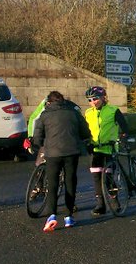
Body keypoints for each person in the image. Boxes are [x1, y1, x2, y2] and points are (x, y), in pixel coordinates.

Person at [32, 91, 92, 232]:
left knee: (52, 184)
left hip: (52, 154)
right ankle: (68, 216)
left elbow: (38, 134)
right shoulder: (73, 113)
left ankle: (51, 216)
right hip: (71, 152)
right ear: (63, 101)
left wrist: (38, 144)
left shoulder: (45, 114)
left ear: (49, 102)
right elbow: (85, 131)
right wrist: (83, 139)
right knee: (70, 182)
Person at [84, 86, 129, 216]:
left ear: (103, 98)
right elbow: (85, 130)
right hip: (95, 148)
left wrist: (123, 136)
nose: (93, 102)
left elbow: (124, 127)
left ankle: (115, 202)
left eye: (95, 99)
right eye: (90, 100)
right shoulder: (88, 113)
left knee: (108, 176)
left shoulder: (113, 110)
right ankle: (100, 205)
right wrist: (86, 142)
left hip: (109, 148)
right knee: (96, 176)